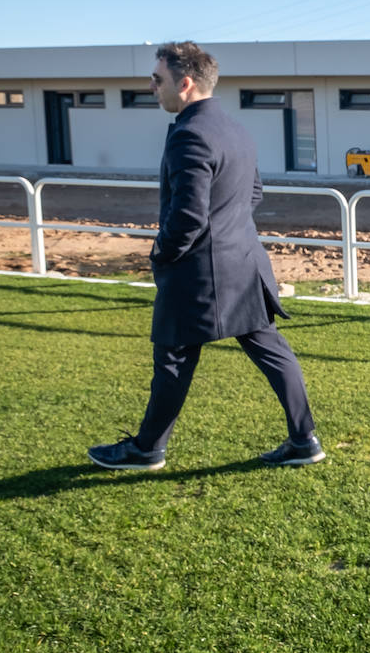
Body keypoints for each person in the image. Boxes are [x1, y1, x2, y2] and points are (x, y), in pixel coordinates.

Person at [89, 41, 324, 471]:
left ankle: (147, 450)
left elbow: (188, 216)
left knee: (174, 355)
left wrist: (161, 253)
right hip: (245, 263)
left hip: (198, 273)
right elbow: (253, 194)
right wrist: (226, 232)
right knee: (270, 348)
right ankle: (304, 439)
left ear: (186, 83)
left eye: (157, 79)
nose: (151, 86)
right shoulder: (236, 129)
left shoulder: (189, 134)